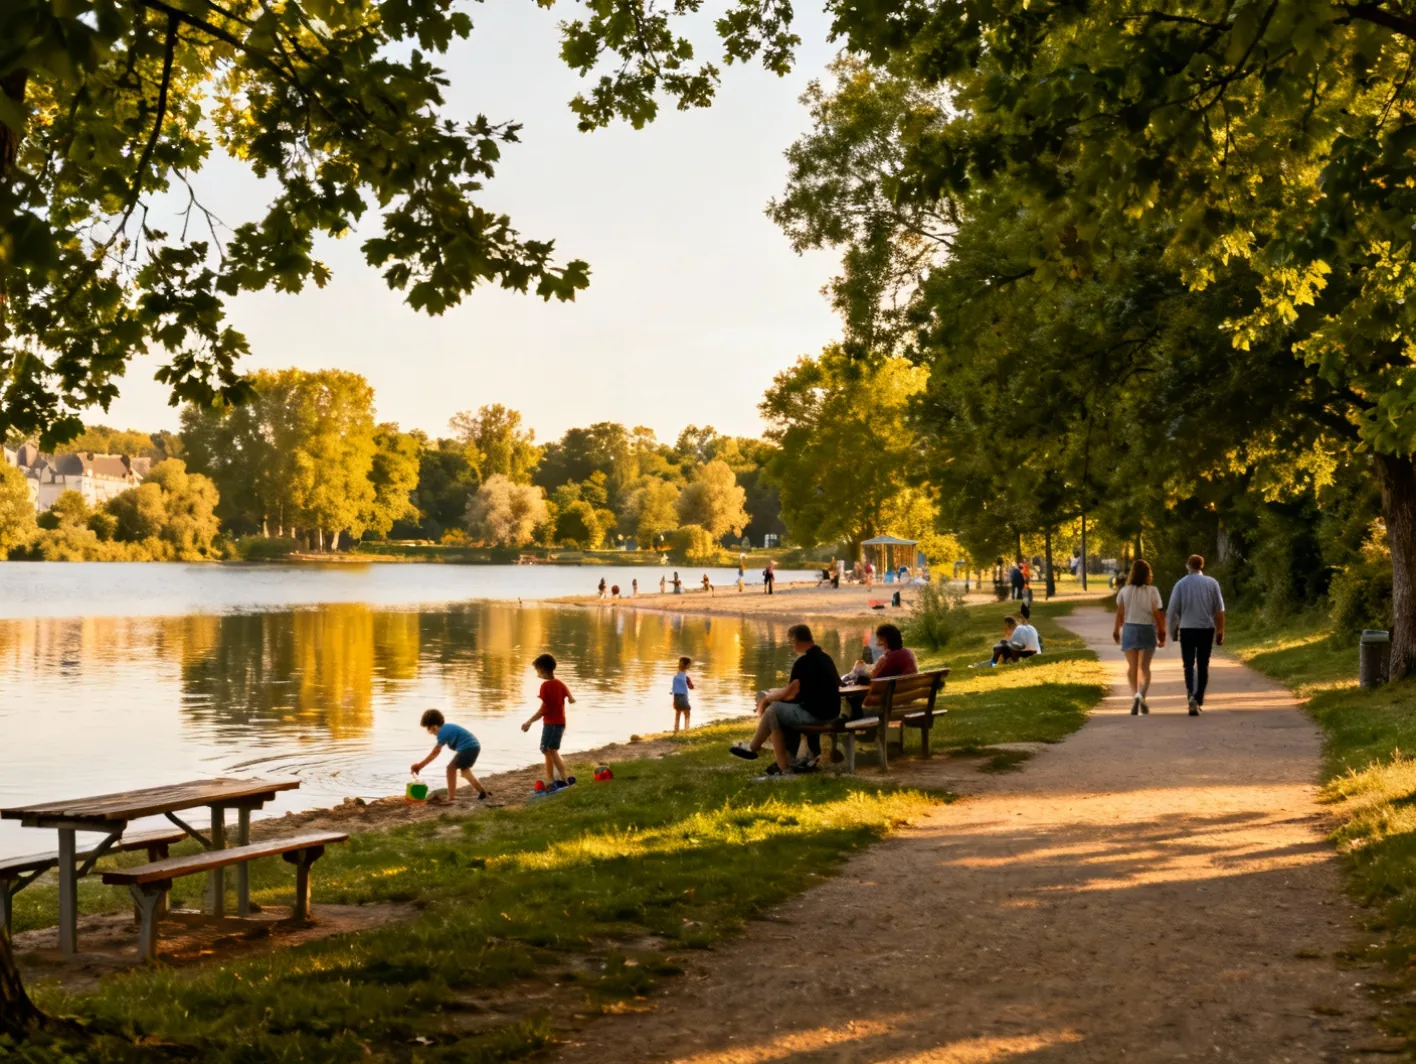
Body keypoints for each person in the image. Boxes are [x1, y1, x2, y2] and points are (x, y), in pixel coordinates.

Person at [728, 624, 841, 774]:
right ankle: (783, 761)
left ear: (795, 640)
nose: (791, 645)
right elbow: (834, 683)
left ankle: (758, 751)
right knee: (781, 713)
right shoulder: (826, 658)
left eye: (791, 641)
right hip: (832, 711)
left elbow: (791, 693)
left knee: (773, 711)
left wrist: (768, 698)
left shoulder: (803, 662)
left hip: (817, 715)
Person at [1167, 553, 1226, 716]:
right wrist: (1221, 630)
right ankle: (1198, 697)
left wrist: (1172, 630)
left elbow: (1173, 610)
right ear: (1202, 566)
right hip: (1206, 628)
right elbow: (1219, 610)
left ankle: (1191, 695)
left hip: (1187, 628)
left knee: (1188, 664)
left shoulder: (1180, 584)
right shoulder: (1212, 583)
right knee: (1202, 664)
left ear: (1188, 566)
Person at [1113, 558, 1167, 715]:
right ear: (1147, 574)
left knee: (1132, 667)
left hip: (1129, 629)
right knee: (1145, 667)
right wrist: (1162, 633)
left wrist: (1116, 630)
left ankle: (1135, 694)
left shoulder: (1124, 591)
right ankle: (1142, 695)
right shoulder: (1152, 591)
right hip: (1147, 629)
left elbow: (1120, 613)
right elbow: (1158, 614)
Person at [521, 653, 576, 790]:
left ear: (542, 669)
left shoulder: (546, 686)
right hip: (560, 723)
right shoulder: (559, 683)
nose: (537, 673)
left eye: (537, 670)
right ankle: (556, 778)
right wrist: (570, 698)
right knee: (548, 749)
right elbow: (568, 693)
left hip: (552, 724)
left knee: (549, 749)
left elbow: (544, 709)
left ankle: (558, 779)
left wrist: (529, 722)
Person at [411, 709, 489, 802]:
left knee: (450, 769)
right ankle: (482, 792)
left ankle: (451, 797)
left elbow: (435, 752)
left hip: (467, 748)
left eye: (430, 729)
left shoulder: (442, 732)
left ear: (434, 726)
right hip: (474, 747)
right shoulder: (447, 728)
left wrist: (420, 766)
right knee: (465, 772)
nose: (431, 733)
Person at [671, 656, 695, 733]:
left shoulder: (677, 675)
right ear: (687, 666)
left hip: (676, 697)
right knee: (687, 711)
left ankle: (676, 729)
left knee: (678, 712)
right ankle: (686, 728)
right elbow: (691, 687)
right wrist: (690, 685)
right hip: (682, 697)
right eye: (689, 665)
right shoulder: (685, 677)